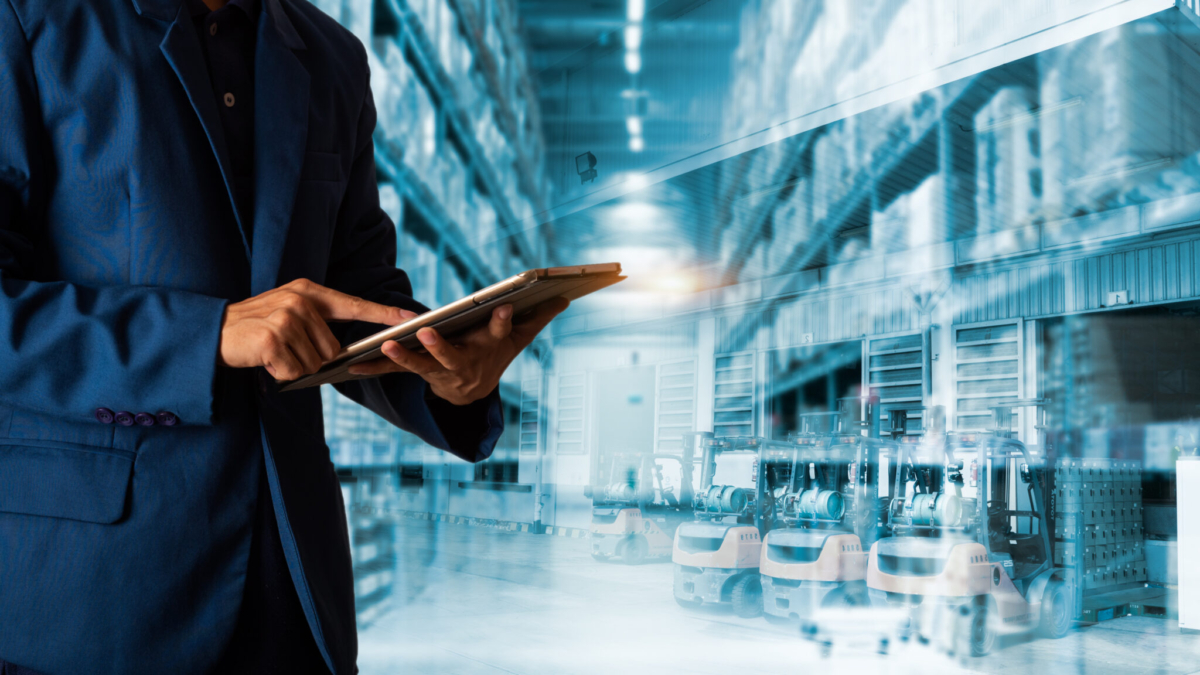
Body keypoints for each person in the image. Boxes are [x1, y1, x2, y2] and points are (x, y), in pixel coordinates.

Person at [0, 0, 565, 672]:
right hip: (101, 592)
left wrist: (448, 376)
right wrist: (206, 337)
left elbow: (358, 294)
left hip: (292, 584)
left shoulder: (333, 59)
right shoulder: (31, 19)